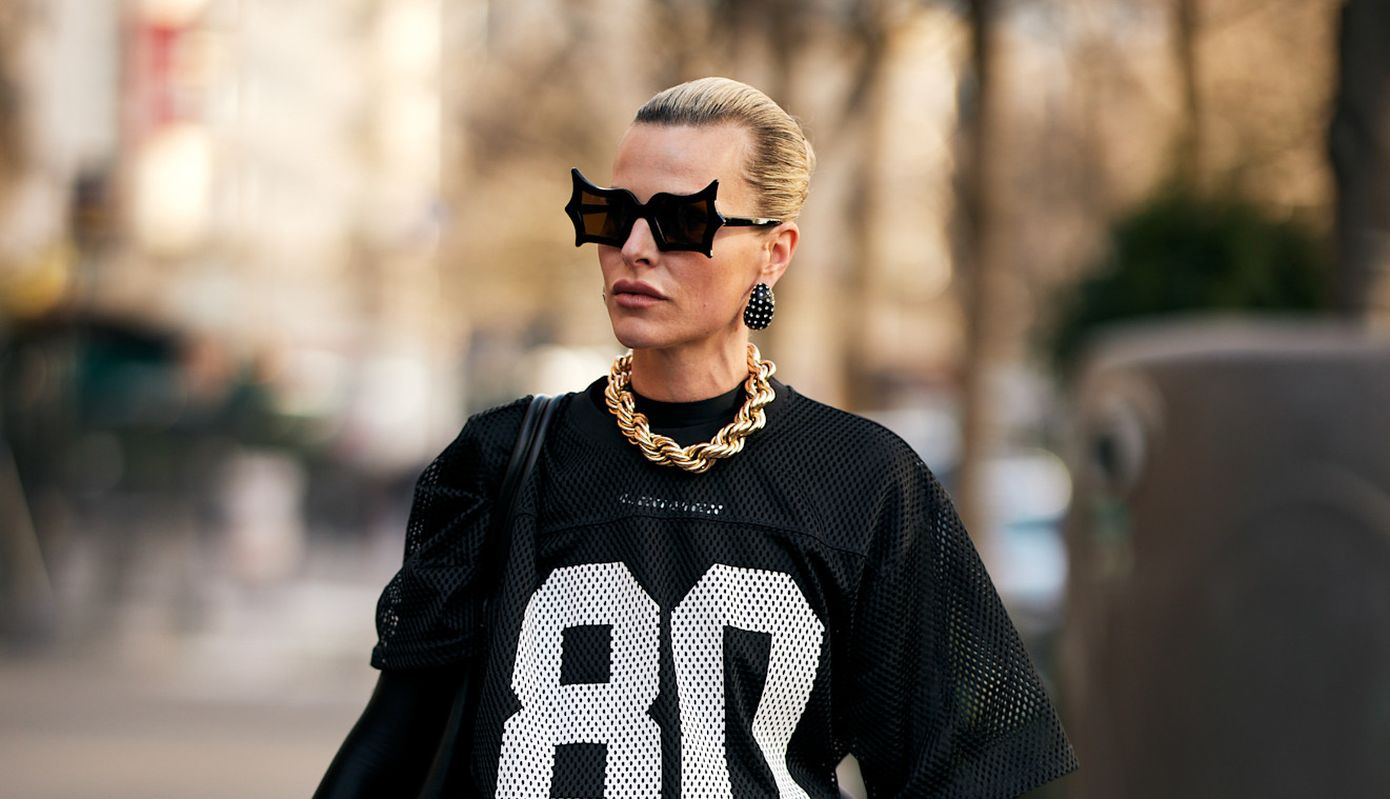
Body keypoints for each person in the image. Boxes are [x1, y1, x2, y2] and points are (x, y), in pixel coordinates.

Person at [315, 76, 1078, 798]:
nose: (635, 247)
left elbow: (963, 771)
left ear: (774, 252)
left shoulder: (865, 480)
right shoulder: (500, 459)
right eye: (612, 213)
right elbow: (393, 747)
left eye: (681, 221)